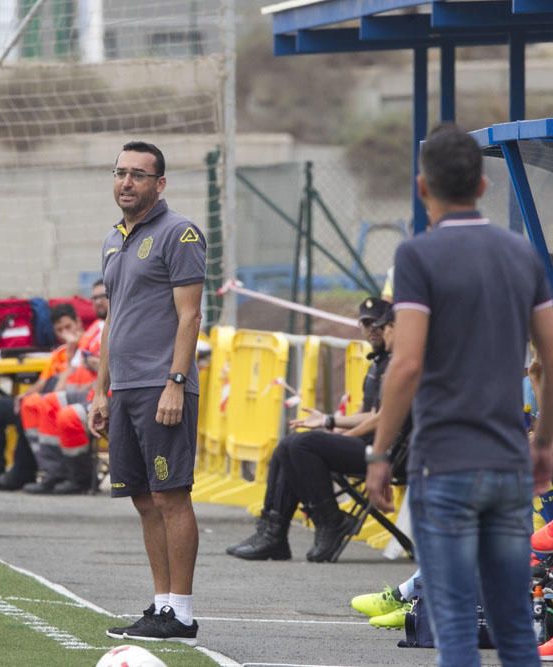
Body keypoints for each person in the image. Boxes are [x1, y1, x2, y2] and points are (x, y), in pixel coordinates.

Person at [368, 123, 553, 667]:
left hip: (445, 461)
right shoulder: (522, 257)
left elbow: (406, 364)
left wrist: (379, 453)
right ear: (483, 186)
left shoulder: (418, 258)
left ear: (424, 188)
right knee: (515, 626)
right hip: (507, 462)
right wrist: (542, 441)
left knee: (453, 625)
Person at [89, 141, 206, 645]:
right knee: (142, 498)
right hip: (124, 391)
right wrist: (100, 391)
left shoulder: (179, 233)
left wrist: (175, 382)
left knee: (170, 495)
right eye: (120, 173)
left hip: (163, 387)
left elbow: (191, 315)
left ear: (160, 184)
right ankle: (161, 605)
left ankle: (180, 610)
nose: (126, 182)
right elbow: (113, 320)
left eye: (138, 174)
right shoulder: (114, 240)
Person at [226, 297, 393, 563]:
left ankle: (330, 519)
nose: (373, 329)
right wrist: (330, 423)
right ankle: (273, 533)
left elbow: (382, 418)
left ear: (391, 327)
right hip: (368, 442)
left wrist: (336, 429)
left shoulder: (396, 365)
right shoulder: (377, 364)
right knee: (287, 446)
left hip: (385, 451)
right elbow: (368, 414)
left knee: (302, 445)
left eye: (379, 324)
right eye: (366, 323)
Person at [0, 303, 83, 491]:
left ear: (78, 323)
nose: (64, 333)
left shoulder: (86, 348)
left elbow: (60, 392)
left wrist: (72, 355)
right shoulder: (58, 354)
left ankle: (21, 474)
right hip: (45, 400)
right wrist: (25, 395)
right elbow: (42, 383)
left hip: (65, 404)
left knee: (32, 409)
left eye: (68, 327)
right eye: (59, 330)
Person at [22, 281, 108, 494]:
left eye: (103, 295)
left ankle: (81, 477)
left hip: (110, 395)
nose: (98, 301)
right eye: (94, 297)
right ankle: (53, 473)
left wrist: (100, 365)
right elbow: (63, 380)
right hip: (85, 393)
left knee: (67, 415)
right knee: (44, 403)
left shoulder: (120, 325)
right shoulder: (94, 330)